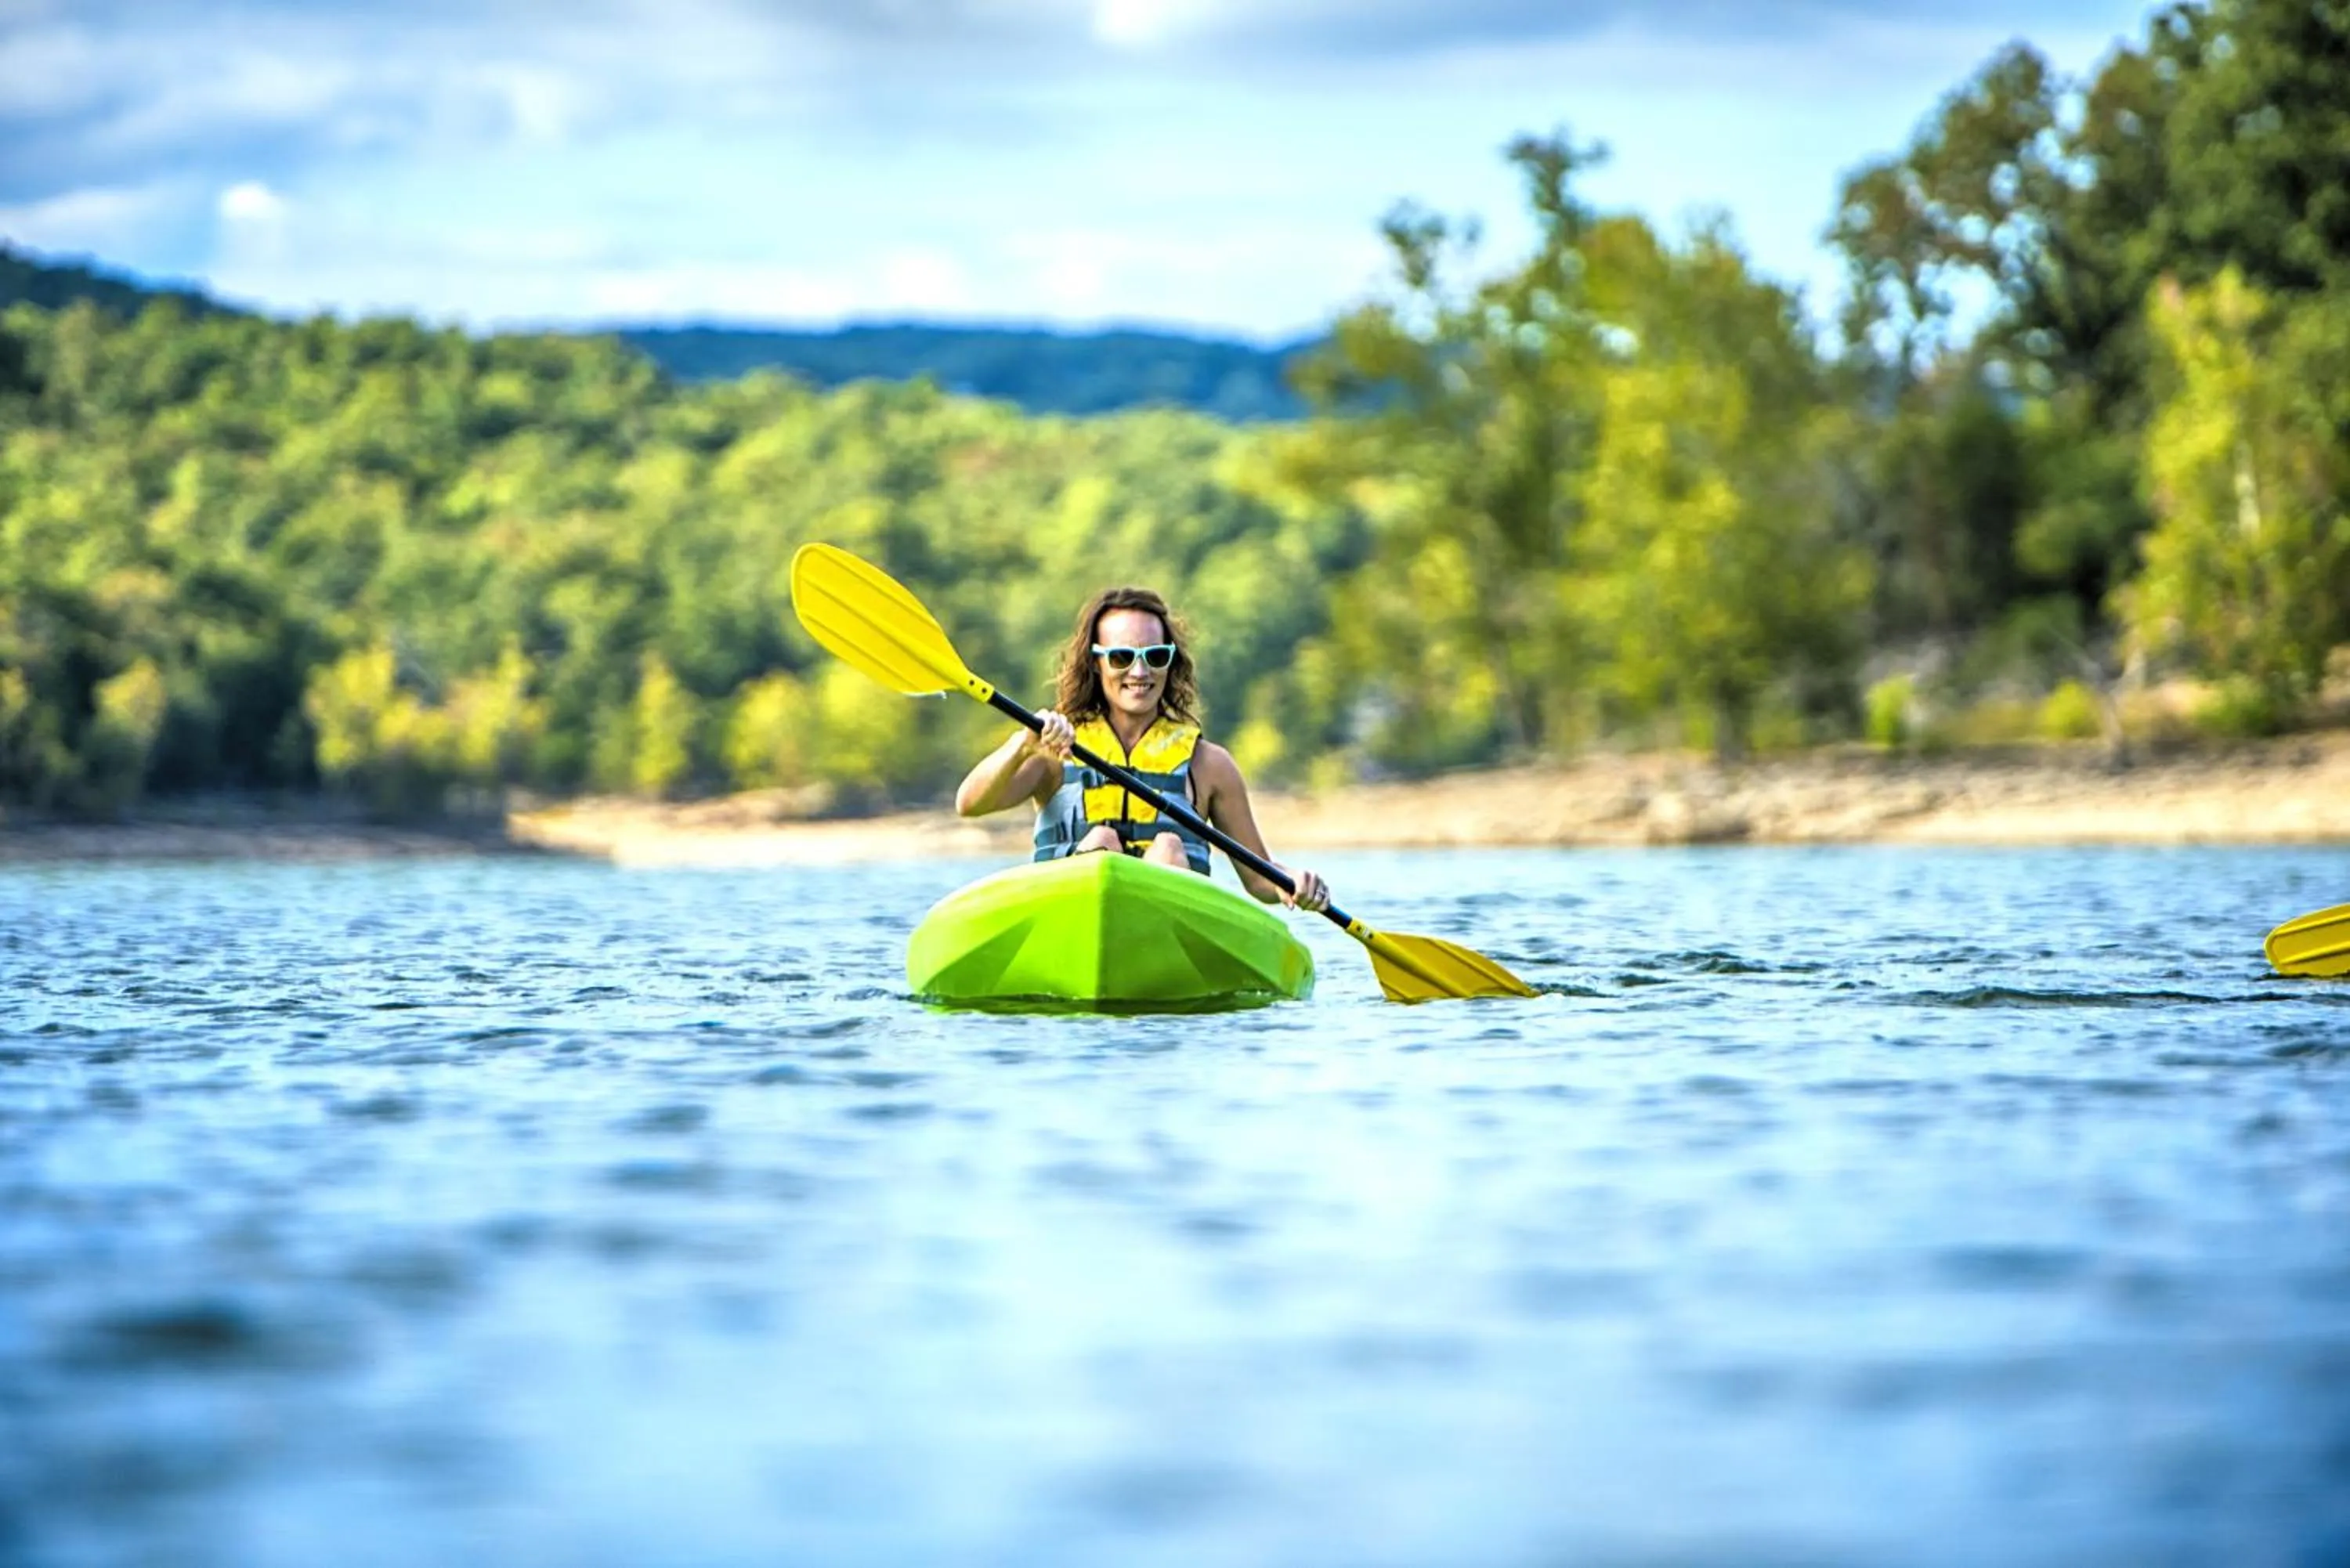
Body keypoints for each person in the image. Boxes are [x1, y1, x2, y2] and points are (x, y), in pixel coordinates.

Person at [954, 586, 1332, 913]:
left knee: (1169, 847)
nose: (1139, 672)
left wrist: (1293, 881)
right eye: (1121, 658)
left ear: (1170, 663)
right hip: (1072, 915)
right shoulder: (1055, 749)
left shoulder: (1210, 765)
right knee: (1101, 843)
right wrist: (1022, 745)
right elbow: (970, 804)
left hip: (1169, 925)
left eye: (1154, 657)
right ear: (1096, 663)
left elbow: (1260, 879)